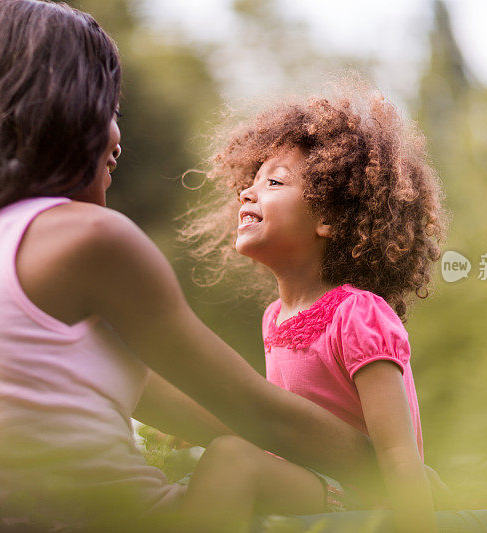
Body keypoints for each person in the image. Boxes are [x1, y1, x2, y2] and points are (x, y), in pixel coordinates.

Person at [0, 0, 385, 529]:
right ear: (63, 108)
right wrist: (398, 468)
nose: (117, 137)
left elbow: (190, 408)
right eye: (108, 108)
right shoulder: (88, 239)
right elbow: (253, 410)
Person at [179, 83, 447, 531]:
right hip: (308, 484)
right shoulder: (275, 317)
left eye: (274, 182)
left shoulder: (358, 313)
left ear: (329, 219)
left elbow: (400, 455)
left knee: (230, 459)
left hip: (359, 498)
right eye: (251, 181)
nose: (247, 192)